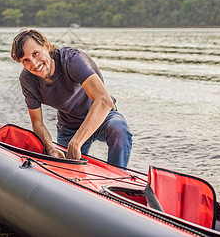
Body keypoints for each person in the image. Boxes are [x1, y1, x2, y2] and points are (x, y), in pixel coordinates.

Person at [11, 28, 132, 167]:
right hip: (69, 127)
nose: (34, 63)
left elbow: (104, 100)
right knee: (66, 169)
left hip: (103, 118)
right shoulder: (27, 80)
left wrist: (77, 142)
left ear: (46, 46)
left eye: (35, 53)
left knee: (119, 129)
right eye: (25, 60)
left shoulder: (71, 60)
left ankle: (117, 176)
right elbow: (38, 123)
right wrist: (50, 148)